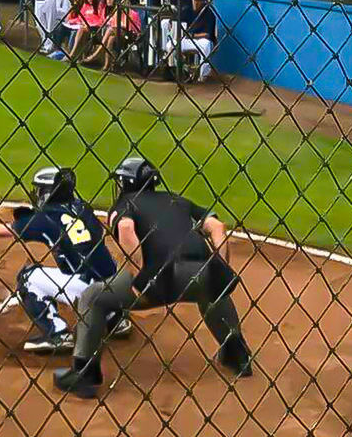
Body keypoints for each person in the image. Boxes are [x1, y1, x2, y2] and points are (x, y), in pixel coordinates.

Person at [54, 157, 253, 399]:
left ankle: (85, 375)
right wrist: (220, 267)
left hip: (161, 280)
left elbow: (126, 229)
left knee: (93, 297)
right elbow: (217, 227)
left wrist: (138, 275)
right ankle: (237, 356)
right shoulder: (176, 199)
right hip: (201, 272)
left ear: (126, 183)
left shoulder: (124, 203)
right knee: (213, 289)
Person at [0, 167, 133, 354]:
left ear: (48, 193)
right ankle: (115, 318)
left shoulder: (43, 219)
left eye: (40, 189)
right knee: (90, 261)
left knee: (27, 277)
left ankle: (57, 334)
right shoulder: (84, 209)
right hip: (118, 287)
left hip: (88, 291)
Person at [83, 0, 140, 71]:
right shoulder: (117, 11)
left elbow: (131, 27)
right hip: (114, 33)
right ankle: (107, 65)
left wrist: (119, 25)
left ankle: (96, 54)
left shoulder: (132, 13)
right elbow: (113, 23)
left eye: (124, 2)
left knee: (111, 30)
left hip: (128, 34)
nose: (123, 4)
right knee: (110, 40)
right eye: (121, 2)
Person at [166, 0, 216, 81]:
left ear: (203, 2)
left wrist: (193, 35)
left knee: (206, 45)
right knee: (170, 45)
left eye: (198, 1)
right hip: (188, 40)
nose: (196, 3)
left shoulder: (209, 13)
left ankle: (203, 76)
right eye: (194, 0)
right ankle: (178, 70)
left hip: (202, 41)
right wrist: (171, 21)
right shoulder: (188, 11)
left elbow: (208, 34)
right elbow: (175, 19)